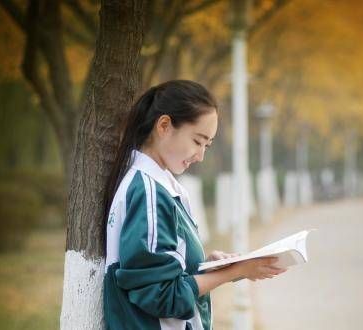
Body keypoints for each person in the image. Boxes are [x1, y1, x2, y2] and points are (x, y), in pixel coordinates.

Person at [102, 80, 286, 330]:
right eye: (197, 141)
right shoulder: (148, 192)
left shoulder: (162, 186)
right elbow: (162, 296)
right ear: (164, 126)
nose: (200, 156)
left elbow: (161, 271)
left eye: (207, 145)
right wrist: (234, 272)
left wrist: (205, 265)